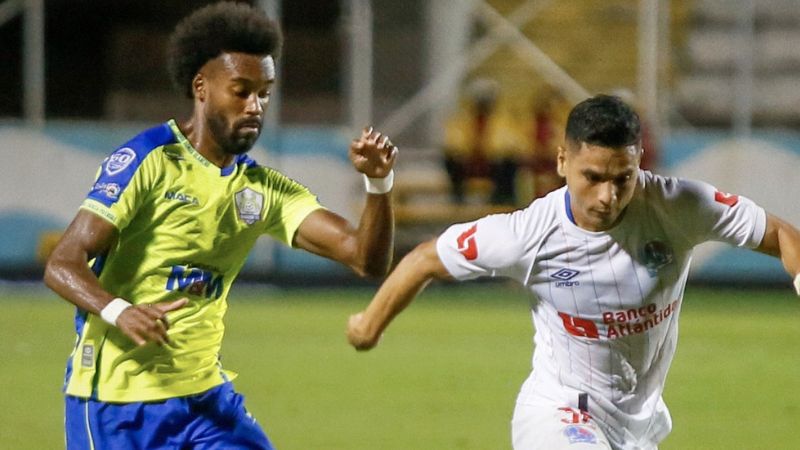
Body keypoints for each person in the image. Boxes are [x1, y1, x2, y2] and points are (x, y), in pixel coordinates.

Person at [347, 94, 800, 449]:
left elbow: (781, 234)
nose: (607, 195)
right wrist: (370, 324)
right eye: (592, 177)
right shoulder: (529, 233)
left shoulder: (680, 206)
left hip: (638, 426)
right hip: (559, 413)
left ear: (639, 160)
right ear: (562, 161)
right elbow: (427, 257)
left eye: (622, 178)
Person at [44, 3, 397, 449]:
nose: (256, 107)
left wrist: (379, 182)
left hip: (205, 403)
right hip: (117, 403)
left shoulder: (261, 190)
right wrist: (120, 310)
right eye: (241, 91)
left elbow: (366, 258)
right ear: (202, 88)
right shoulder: (149, 160)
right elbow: (63, 262)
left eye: (264, 93)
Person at [442, 78, 526, 205]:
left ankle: (501, 198)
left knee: (509, 163)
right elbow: (453, 143)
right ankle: (458, 196)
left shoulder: (503, 121)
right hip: (468, 164)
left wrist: (491, 150)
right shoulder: (463, 120)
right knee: (450, 159)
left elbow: (510, 145)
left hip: (493, 165)